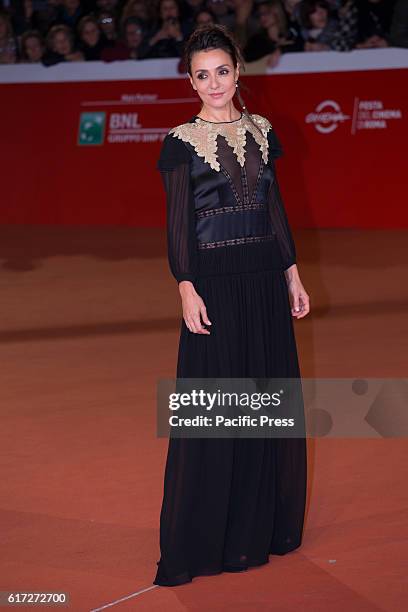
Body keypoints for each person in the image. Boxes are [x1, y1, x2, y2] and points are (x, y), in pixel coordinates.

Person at [154, 23, 309, 586]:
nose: (213, 83)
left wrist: (292, 273)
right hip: (215, 285)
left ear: (238, 72)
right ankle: (205, 537)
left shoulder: (263, 131)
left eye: (222, 71)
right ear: (190, 80)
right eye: (202, 74)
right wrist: (185, 286)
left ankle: (257, 528)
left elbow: (275, 208)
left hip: (265, 280)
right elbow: (178, 224)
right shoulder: (179, 142)